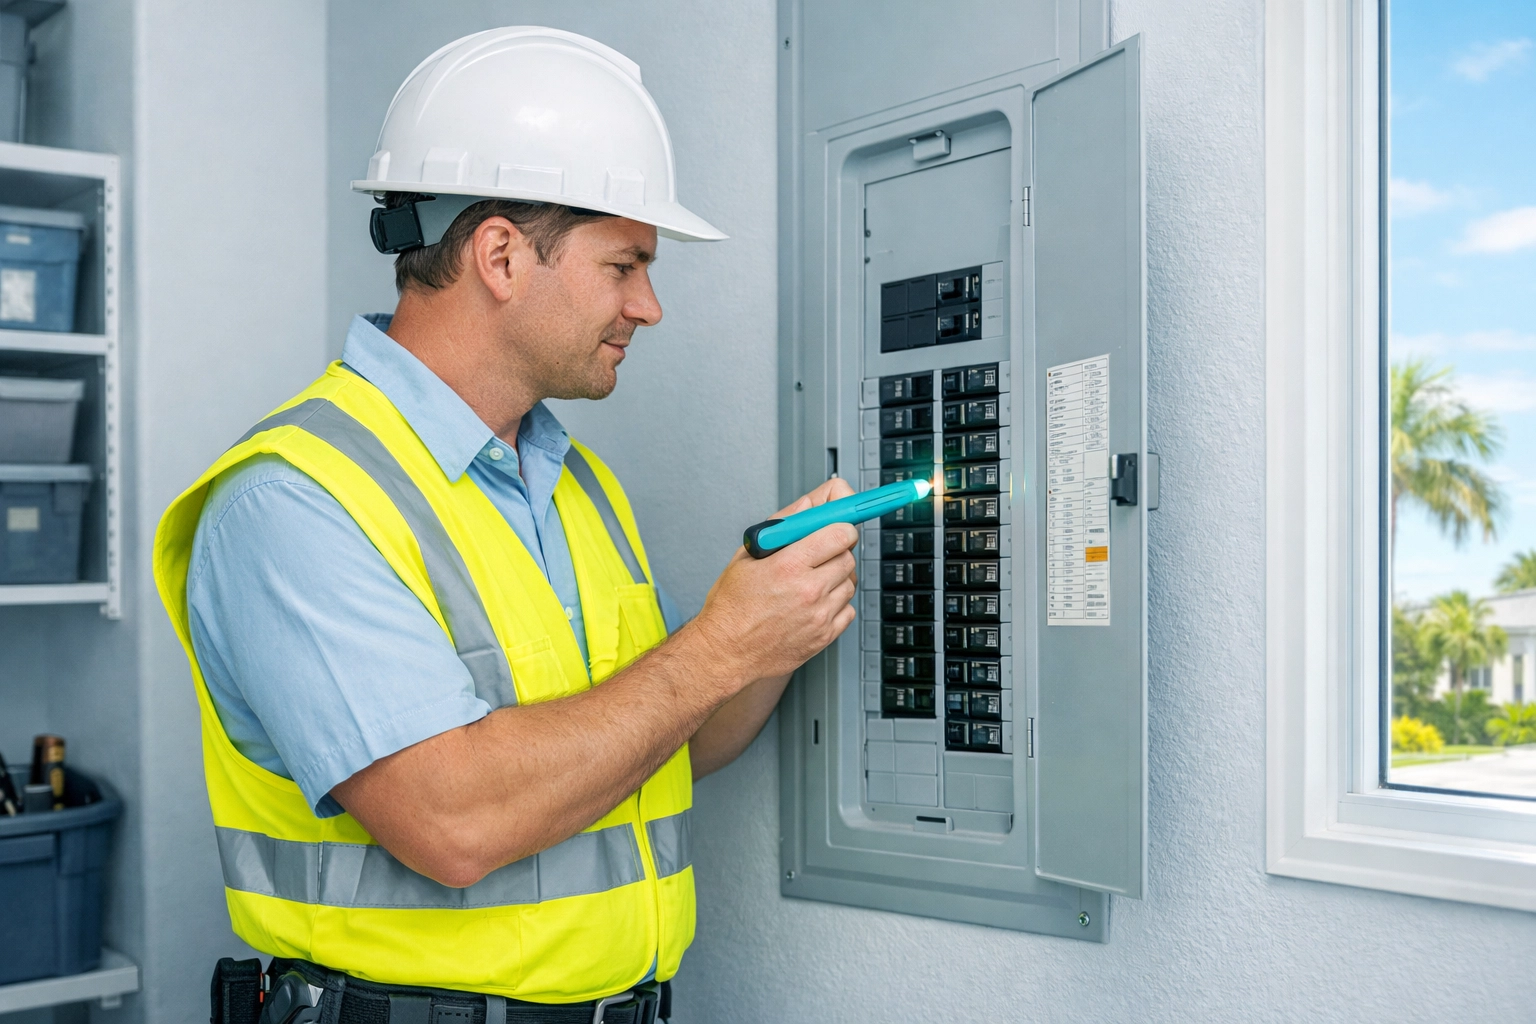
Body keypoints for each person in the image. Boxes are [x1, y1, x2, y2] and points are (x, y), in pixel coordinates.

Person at [154, 27, 859, 1024]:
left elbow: (660, 747)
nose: (648, 306)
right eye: (625, 264)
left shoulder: (577, 487)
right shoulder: (294, 502)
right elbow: (454, 819)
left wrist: (777, 621)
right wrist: (720, 644)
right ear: (500, 256)